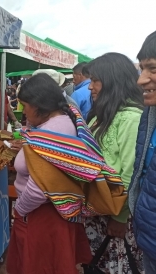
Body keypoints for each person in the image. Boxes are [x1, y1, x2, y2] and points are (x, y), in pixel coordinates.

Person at [6, 73, 95, 274]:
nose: (24, 111)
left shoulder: (52, 132)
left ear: (38, 106)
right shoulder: (62, 120)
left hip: (42, 215)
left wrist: (19, 209)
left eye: (25, 105)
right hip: (50, 212)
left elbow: (39, 189)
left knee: (40, 266)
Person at [84, 53, 144, 273]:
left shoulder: (131, 118)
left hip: (116, 214)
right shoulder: (101, 115)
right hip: (98, 211)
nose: (90, 87)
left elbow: (131, 173)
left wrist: (120, 217)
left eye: (95, 80)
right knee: (98, 264)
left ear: (112, 81)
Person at [129, 30, 156, 273]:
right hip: (148, 239)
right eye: (142, 69)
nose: (141, 80)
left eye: (153, 69)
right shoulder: (149, 113)